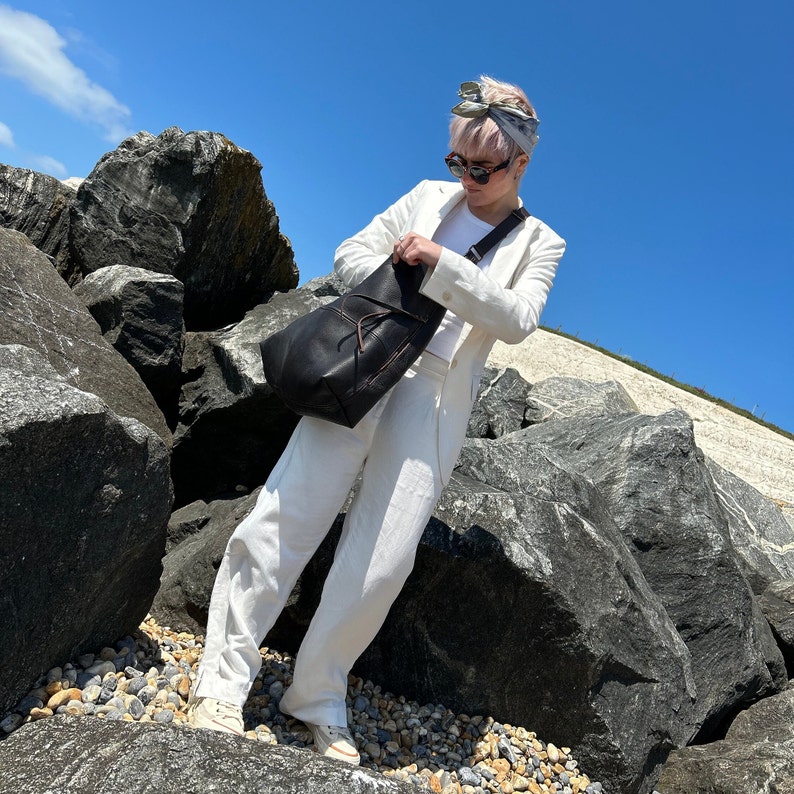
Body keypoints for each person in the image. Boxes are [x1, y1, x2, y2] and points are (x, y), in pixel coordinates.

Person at [186, 76, 566, 764]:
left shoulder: (542, 240)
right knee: (287, 514)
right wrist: (397, 264)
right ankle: (221, 681)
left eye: (483, 167)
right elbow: (350, 254)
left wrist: (440, 262)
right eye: (459, 160)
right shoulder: (426, 196)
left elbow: (517, 320)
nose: (468, 176)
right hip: (365, 365)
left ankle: (318, 694)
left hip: (437, 397)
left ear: (522, 163)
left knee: (383, 560)